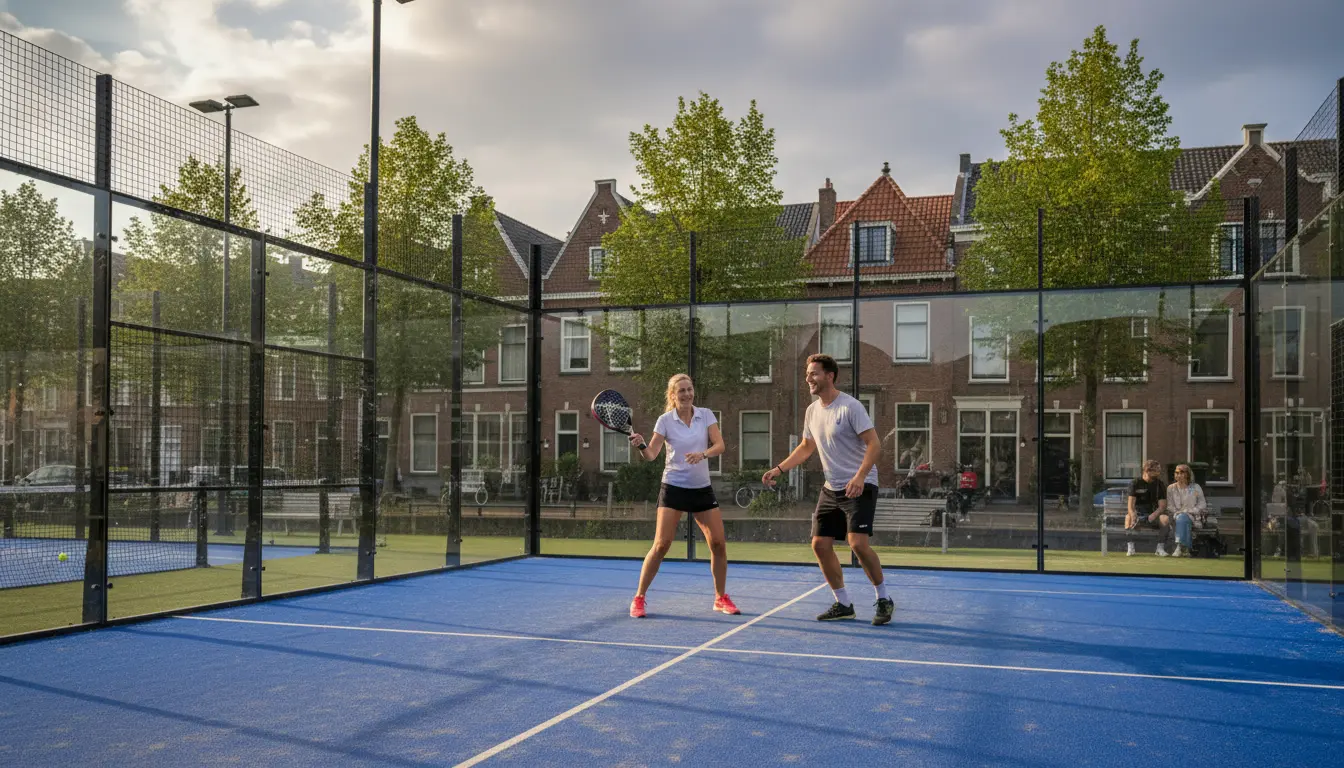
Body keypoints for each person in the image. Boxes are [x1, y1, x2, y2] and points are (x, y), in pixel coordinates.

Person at [763, 354, 892, 625]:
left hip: (861, 485)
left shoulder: (850, 407)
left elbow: (875, 444)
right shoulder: (812, 411)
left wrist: (859, 476)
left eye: (814, 374)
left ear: (830, 376)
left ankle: (883, 598)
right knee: (820, 545)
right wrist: (779, 469)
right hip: (831, 488)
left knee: (857, 544)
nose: (808, 378)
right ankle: (843, 603)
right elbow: (807, 447)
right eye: (807, 374)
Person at [626, 373, 737, 619]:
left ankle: (720, 598)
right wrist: (642, 445)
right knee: (661, 544)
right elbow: (652, 455)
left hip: (701, 488)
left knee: (718, 543)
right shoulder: (665, 420)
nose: (687, 394)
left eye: (689, 389)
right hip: (673, 487)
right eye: (681, 391)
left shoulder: (706, 414)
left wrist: (703, 454)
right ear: (673, 395)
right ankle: (639, 598)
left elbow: (720, 445)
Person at [1126, 459, 1172, 557]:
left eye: (1159, 470)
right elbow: (1130, 505)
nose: (1159, 473)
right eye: (1156, 470)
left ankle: (1160, 548)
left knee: (1165, 519)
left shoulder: (1160, 485)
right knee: (1128, 517)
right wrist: (1133, 515)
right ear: (1147, 470)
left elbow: (1162, 506)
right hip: (1138, 514)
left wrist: (1154, 515)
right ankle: (1130, 548)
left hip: (1153, 514)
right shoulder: (1135, 483)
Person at [1166, 463, 1207, 558]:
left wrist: (1189, 511)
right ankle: (1186, 548)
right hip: (1175, 515)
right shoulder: (1171, 488)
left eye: (1181, 472)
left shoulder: (1195, 488)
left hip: (1193, 515)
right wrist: (1178, 512)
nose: (1178, 475)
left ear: (1187, 474)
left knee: (1183, 517)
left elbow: (1202, 504)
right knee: (1181, 518)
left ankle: (1179, 547)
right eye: (1176, 472)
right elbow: (1170, 505)